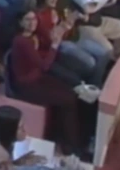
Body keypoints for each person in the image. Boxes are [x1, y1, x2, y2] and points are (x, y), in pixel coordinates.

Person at [10, 11, 82, 155]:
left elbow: (48, 41)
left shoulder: (33, 36)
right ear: (20, 22)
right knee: (68, 99)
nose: (32, 23)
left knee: (70, 92)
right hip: (27, 86)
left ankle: (63, 136)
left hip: (37, 78)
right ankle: (69, 146)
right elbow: (44, 66)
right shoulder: (22, 41)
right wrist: (54, 46)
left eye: (34, 19)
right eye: (27, 20)